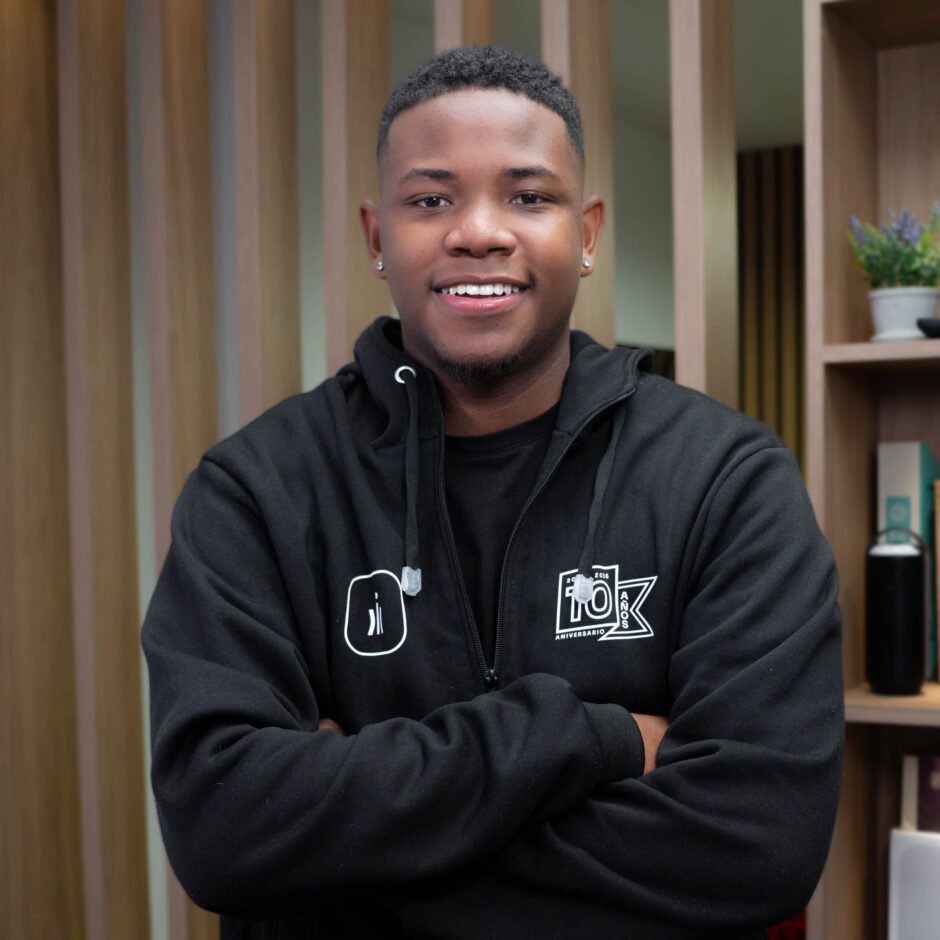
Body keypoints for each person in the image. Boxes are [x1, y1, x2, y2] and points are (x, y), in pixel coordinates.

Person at [143, 46, 843, 940]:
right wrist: (593, 740)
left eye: (528, 196)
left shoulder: (725, 480)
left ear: (586, 234)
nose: (479, 232)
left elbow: (760, 843)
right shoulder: (257, 491)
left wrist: (342, 848)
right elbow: (223, 829)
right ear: (376, 238)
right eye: (432, 200)